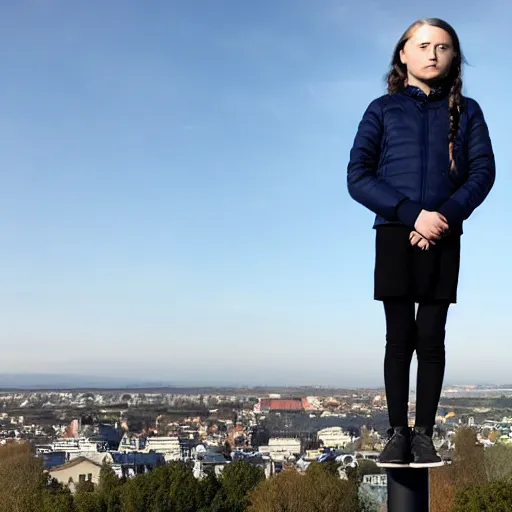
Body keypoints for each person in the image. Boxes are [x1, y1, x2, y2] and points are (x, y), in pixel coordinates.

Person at [347, 18, 495, 468]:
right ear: (403, 55)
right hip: (395, 232)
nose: (433, 53)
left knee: (431, 336)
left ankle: (425, 435)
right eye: (424, 45)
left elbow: (482, 174)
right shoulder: (382, 109)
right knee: (399, 336)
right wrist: (413, 214)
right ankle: (397, 433)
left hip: (445, 235)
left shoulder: (468, 111)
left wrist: (443, 218)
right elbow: (358, 177)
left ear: (454, 58)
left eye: (444, 47)